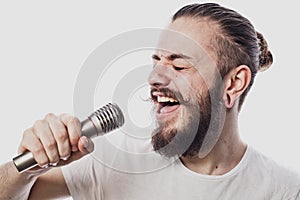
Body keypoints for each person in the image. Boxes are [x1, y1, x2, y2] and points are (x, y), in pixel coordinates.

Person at [0, 3, 299, 200]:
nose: (155, 77)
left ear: (234, 83)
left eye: (179, 65)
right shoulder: (111, 161)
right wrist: (26, 168)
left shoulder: (284, 190)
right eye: (156, 61)